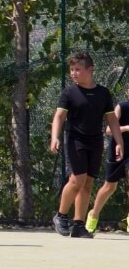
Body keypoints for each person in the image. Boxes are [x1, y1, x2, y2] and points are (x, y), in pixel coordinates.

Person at [50, 51, 123, 238]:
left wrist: (119, 142)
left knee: (88, 183)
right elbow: (59, 116)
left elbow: (112, 120)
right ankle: (61, 215)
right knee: (77, 180)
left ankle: (79, 224)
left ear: (90, 70)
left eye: (78, 69)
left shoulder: (103, 93)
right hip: (75, 140)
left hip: (96, 141)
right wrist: (55, 137)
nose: (73, 73)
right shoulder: (69, 92)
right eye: (72, 70)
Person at [85, 82, 129, 235]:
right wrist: (127, 128)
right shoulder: (122, 107)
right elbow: (109, 130)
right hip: (118, 150)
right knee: (110, 187)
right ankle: (94, 214)